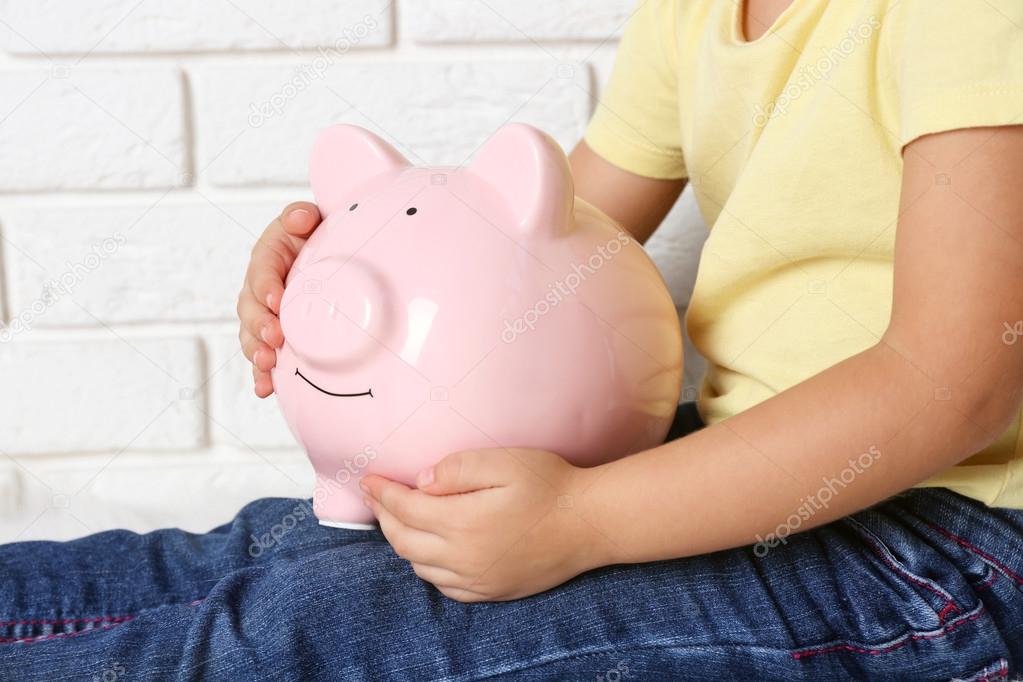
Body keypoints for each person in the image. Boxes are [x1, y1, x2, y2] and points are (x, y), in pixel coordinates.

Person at [2, 1, 1022, 678]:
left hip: (951, 542)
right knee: (260, 557)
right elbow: (541, 240)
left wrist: (586, 518)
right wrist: (337, 262)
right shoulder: (699, 10)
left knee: (300, 636)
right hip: (742, 459)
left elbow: (950, 384)